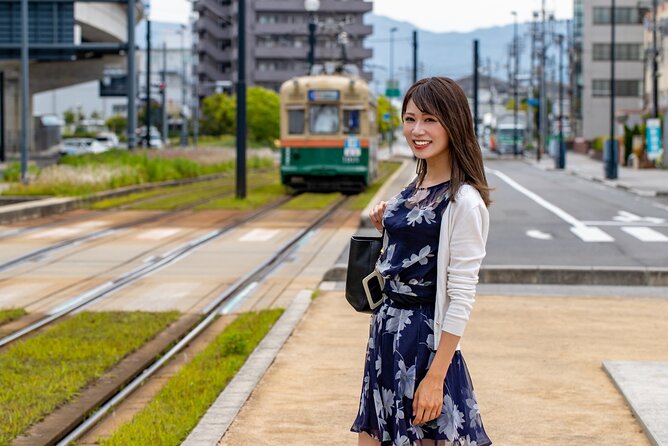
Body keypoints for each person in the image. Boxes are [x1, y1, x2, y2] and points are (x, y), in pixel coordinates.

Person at [351, 77, 492, 446]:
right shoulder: (413, 187)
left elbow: (461, 295)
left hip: (424, 345)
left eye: (430, 119)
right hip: (386, 338)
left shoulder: (464, 201)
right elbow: (404, 262)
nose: (417, 130)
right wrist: (389, 228)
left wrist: (435, 377)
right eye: (410, 118)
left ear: (453, 123)